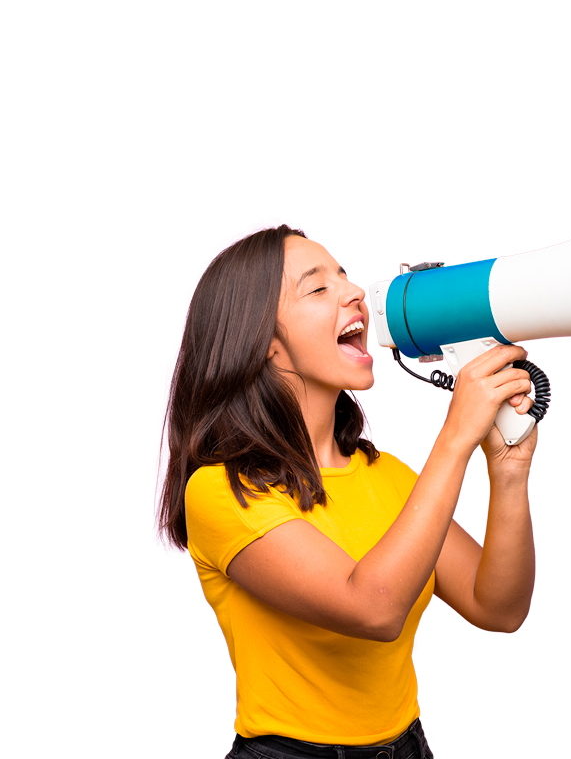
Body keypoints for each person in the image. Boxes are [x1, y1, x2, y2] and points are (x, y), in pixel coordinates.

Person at [158, 225, 539, 759]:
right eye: (317, 289)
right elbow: (373, 609)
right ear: (262, 343)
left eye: (345, 276)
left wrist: (509, 471)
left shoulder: (387, 474)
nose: (354, 292)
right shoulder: (222, 490)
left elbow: (497, 606)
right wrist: (455, 440)